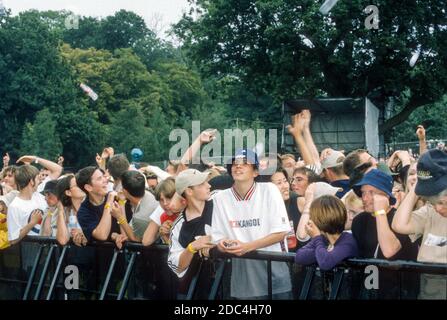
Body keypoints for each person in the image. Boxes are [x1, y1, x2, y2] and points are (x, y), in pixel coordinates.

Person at [211, 149, 292, 299]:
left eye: (245, 163)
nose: (238, 166)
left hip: (273, 267)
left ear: (255, 172)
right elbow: (217, 237)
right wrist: (222, 244)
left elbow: (281, 232)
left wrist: (247, 246)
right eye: (234, 164)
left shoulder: (270, 190)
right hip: (241, 273)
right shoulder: (220, 198)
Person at [351, 169, 418, 298]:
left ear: (385, 196)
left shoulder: (400, 219)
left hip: (400, 290)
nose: (365, 198)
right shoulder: (359, 221)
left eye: (371, 192)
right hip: (370, 289)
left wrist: (380, 212)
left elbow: (389, 250)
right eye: (363, 192)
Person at [392, 149, 447, 299]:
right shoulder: (430, 212)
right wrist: (417, 189)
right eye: (432, 202)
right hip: (429, 288)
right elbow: (399, 225)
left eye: (442, 202)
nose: (438, 208)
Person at [167, 169, 215, 299]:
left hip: (232, 283)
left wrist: (214, 240)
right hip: (199, 291)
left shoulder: (219, 200)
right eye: (201, 184)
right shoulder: (178, 226)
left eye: (207, 182)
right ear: (189, 191)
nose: (209, 186)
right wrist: (192, 247)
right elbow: (177, 266)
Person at [295, 195, 358, 270]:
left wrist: (316, 238)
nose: (310, 221)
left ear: (320, 220)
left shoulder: (348, 241)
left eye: (311, 217)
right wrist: (322, 250)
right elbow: (299, 257)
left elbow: (325, 262)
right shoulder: (323, 239)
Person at [120, 170, 158, 241]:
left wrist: (119, 217)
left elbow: (135, 239)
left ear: (124, 191)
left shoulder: (140, 217)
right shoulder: (149, 193)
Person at [55, 174, 87, 247]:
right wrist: (60, 211)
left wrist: (84, 233)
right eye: (77, 185)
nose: (81, 186)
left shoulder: (91, 207)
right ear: (68, 192)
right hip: (74, 255)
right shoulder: (66, 213)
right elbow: (62, 240)